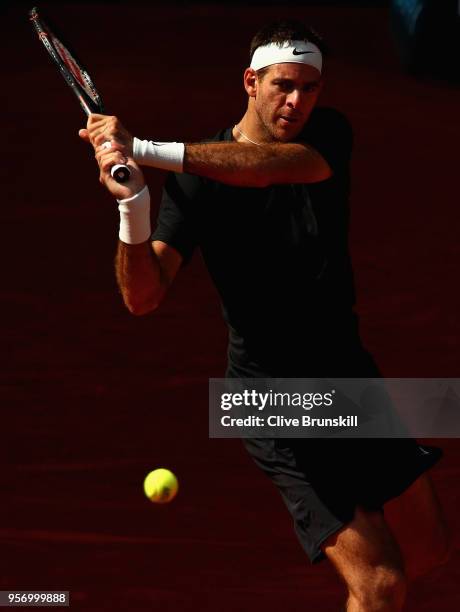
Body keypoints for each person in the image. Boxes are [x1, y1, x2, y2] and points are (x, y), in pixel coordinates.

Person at [79, 20, 451, 612]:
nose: (297, 101)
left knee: (429, 549)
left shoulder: (326, 136)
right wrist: (133, 205)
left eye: (310, 87)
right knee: (380, 583)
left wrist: (145, 148)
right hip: (270, 396)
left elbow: (263, 169)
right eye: (283, 85)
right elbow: (143, 297)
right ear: (250, 82)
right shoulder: (195, 187)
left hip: (346, 376)